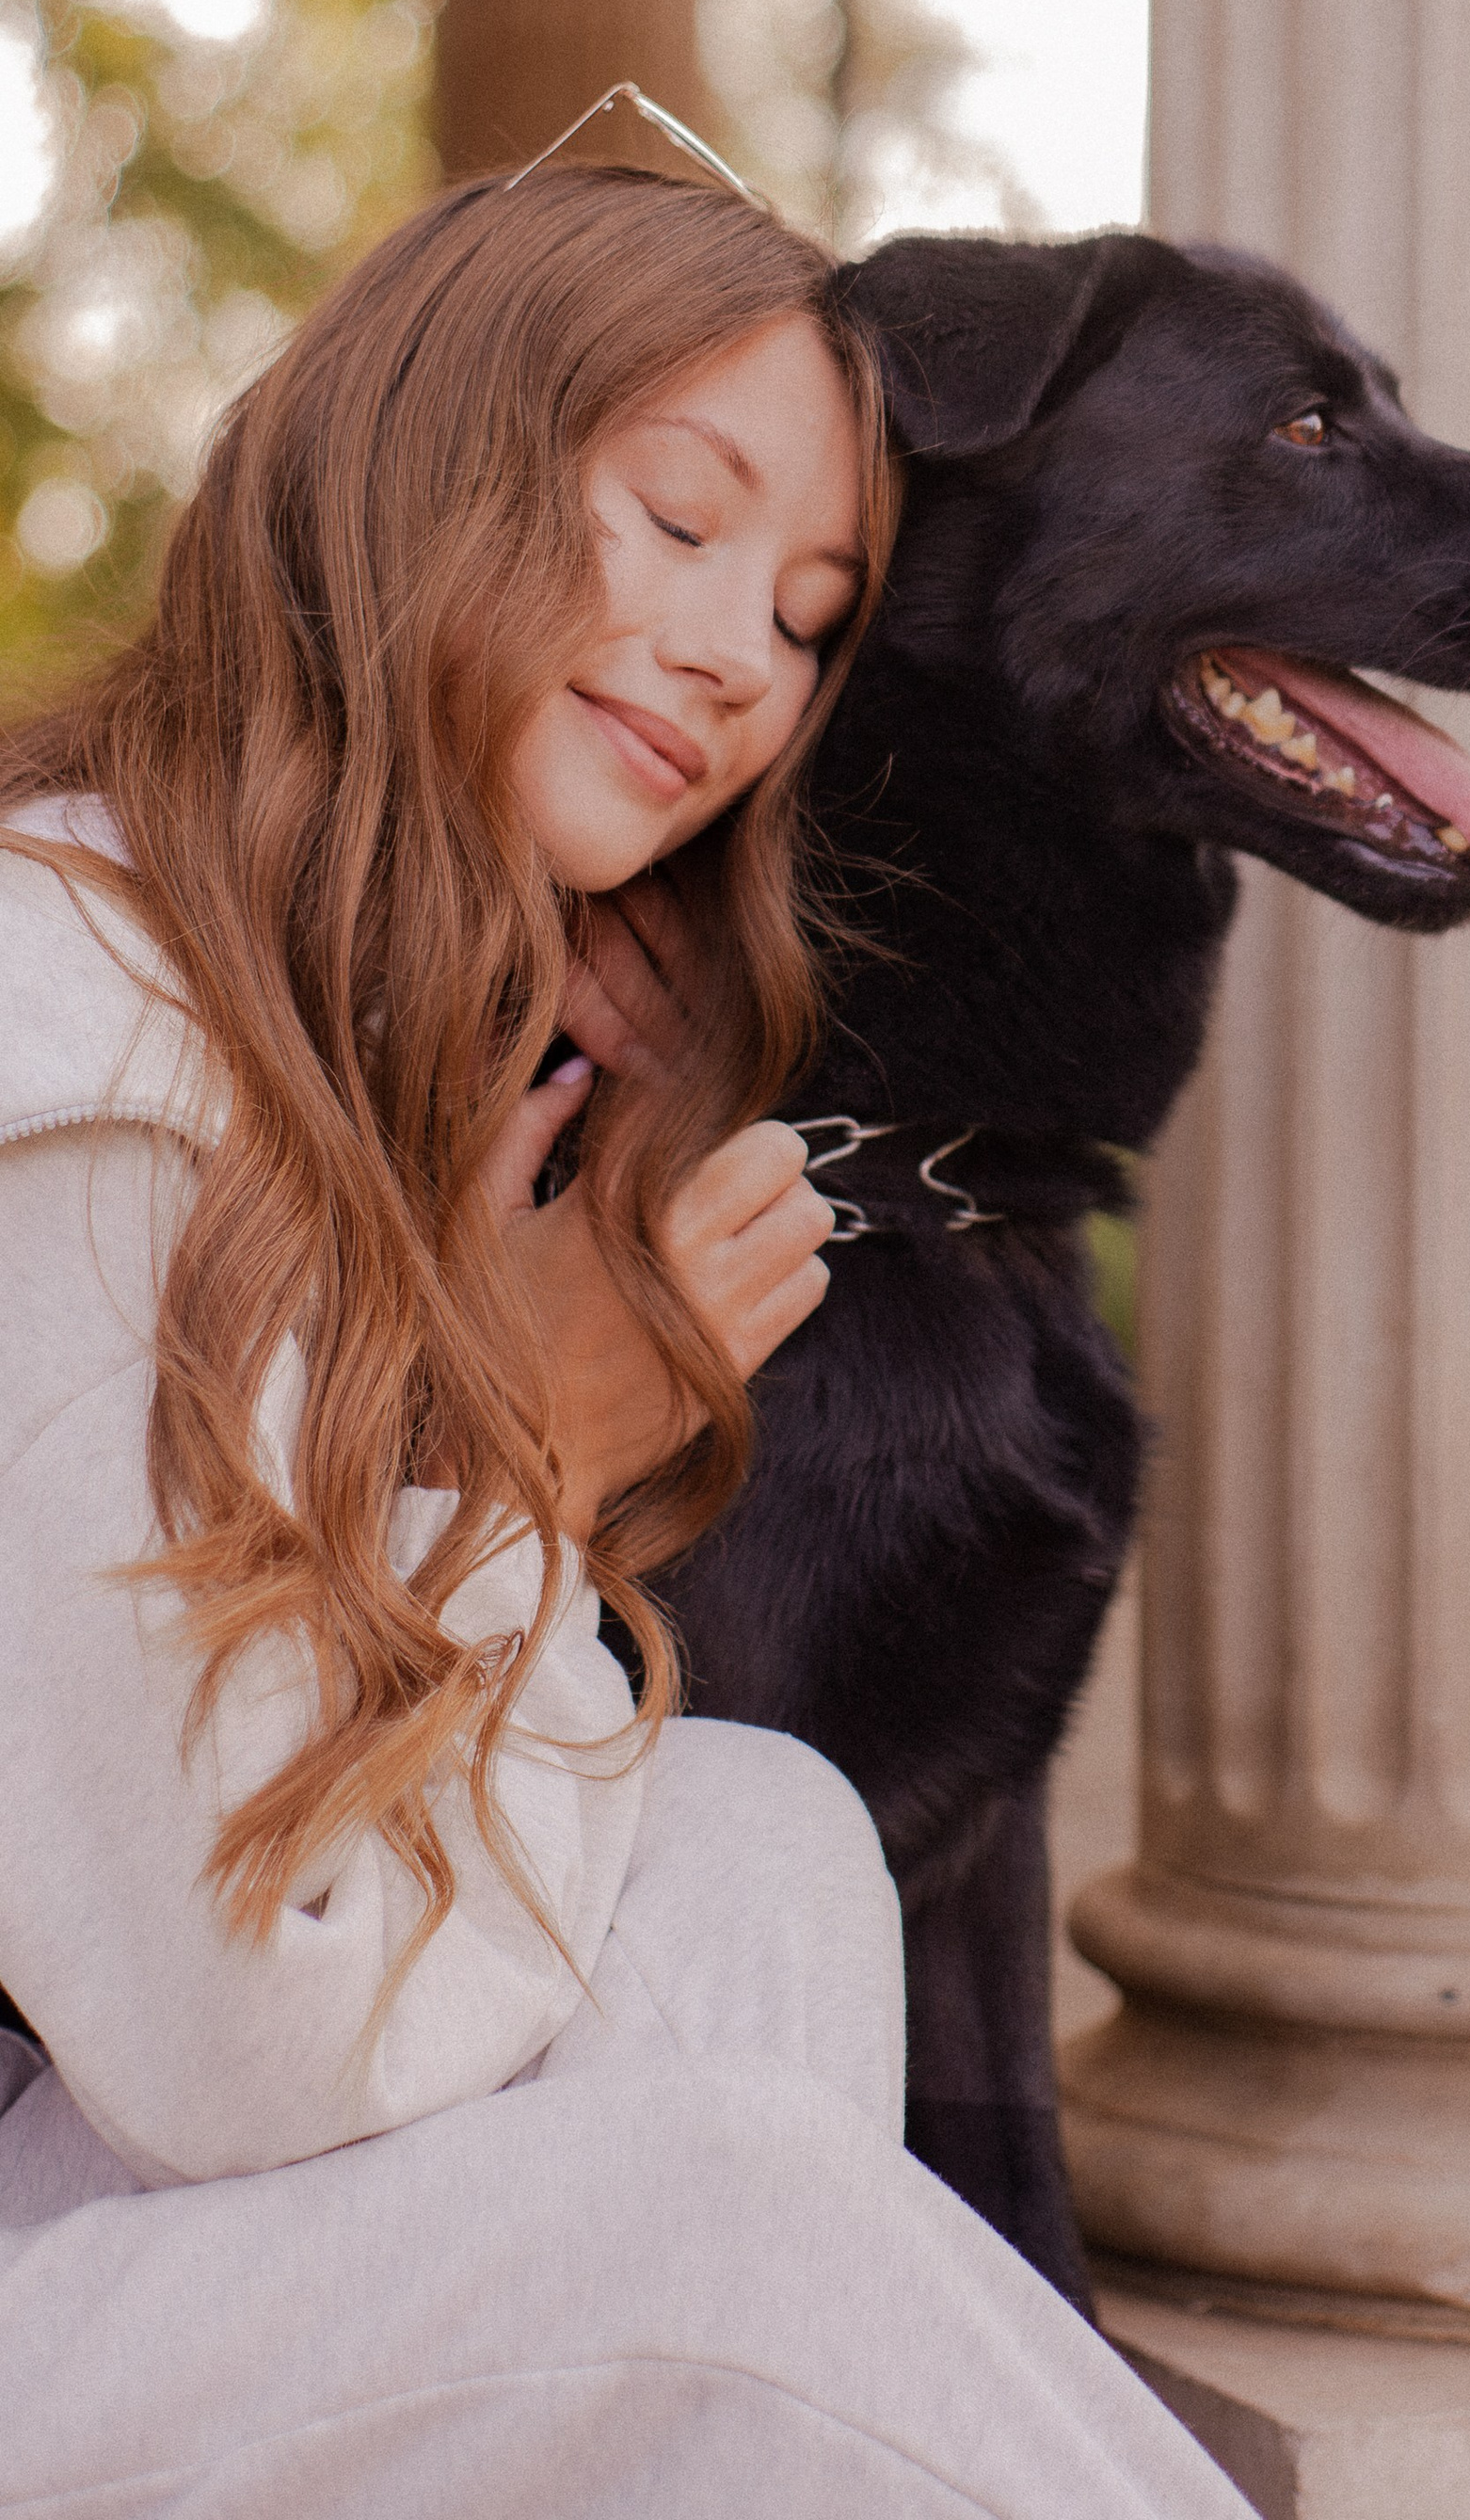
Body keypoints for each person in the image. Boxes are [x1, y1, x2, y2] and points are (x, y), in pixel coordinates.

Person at [0, 150, 1246, 2517]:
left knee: (751, 1840)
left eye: (802, 619)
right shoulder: (61, 1062)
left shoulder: (319, 1040)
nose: (729, 661)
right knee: (721, 2235)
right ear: (426, 447)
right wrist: (533, 1456)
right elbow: (247, 2044)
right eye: (671, 519)